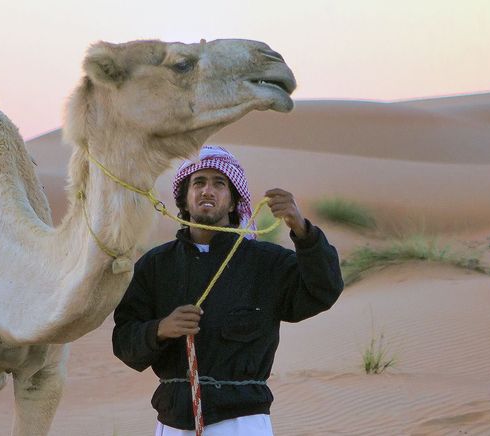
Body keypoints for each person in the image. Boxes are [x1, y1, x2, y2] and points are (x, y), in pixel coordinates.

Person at [112, 145, 344, 435]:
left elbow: (324, 290)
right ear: (185, 199)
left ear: (234, 202)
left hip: (241, 421)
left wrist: (303, 230)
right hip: (174, 421)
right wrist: (161, 328)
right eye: (198, 182)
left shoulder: (265, 262)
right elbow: (123, 340)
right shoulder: (156, 265)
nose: (207, 191)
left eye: (219, 183)